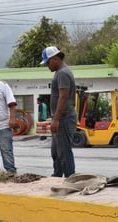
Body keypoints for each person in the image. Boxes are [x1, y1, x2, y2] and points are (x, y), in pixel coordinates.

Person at [40, 46, 77, 177]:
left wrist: (56, 120)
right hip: (60, 118)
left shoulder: (63, 73)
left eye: (47, 62)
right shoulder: (59, 72)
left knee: (64, 152)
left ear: (55, 59)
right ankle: (57, 176)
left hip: (64, 119)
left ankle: (70, 179)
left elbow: (63, 97)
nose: (47, 66)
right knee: (56, 152)